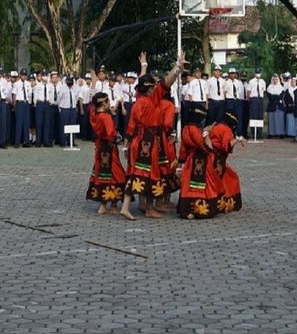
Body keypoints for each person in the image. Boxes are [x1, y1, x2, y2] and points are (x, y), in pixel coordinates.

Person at [120, 51, 185, 221]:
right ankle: (141, 208)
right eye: (153, 86)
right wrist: (177, 67)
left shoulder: (138, 100)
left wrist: (144, 66)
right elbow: (167, 82)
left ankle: (143, 207)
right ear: (149, 89)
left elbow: (130, 126)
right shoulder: (150, 100)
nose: (157, 87)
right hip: (147, 141)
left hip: (139, 140)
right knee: (146, 174)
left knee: (142, 174)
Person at [176, 106, 220, 219]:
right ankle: (200, 209)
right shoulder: (195, 129)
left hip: (190, 162)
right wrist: (207, 134)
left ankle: (187, 209)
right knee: (202, 186)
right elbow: (205, 146)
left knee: (188, 186)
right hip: (200, 160)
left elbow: (183, 149)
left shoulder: (186, 128)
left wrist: (180, 164)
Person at [86, 92, 126, 214]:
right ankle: (113, 205)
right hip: (109, 147)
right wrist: (117, 135)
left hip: (100, 147)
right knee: (116, 173)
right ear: (103, 103)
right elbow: (110, 133)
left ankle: (103, 205)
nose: (110, 104)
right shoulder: (106, 117)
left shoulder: (94, 115)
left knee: (102, 172)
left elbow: (92, 108)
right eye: (108, 102)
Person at [210, 110, 245, 213]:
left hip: (211, 157)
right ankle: (223, 203)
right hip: (217, 160)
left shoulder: (216, 126)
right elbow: (227, 146)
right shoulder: (226, 130)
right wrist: (238, 139)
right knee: (231, 179)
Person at [57, 75, 79, 147]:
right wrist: (60, 108)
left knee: (72, 125)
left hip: (72, 108)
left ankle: (71, 141)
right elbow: (59, 99)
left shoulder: (75, 88)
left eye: (71, 81)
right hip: (64, 108)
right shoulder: (62, 88)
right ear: (66, 81)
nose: (70, 82)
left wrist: (75, 106)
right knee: (63, 125)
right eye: (68, 81)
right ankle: (63, 142)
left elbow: (76, 97)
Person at [12, 69, 32, 148]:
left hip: (26, 103)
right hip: (19, 103)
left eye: (25, 75)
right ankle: (17, 142)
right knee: (19, 123)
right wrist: (14, 105)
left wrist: (28, 102)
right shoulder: (16, 84)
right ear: (20, 75)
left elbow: (29, 94)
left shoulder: (28, 83)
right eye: (23, 75)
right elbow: (14, 95)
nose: (24, 76)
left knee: (26, 123)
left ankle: (26, 141)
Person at [247, 68, 266, 137]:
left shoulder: (263, 81)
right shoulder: (251, 81)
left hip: (260, 99)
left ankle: (259, 133)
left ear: (261, 73)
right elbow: (248, 91)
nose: (258, 74)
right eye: (257, 73)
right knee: (253, 116)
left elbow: (263, 90)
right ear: (254, 73)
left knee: (260, 116)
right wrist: (250, 100)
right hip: (253, 99)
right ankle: (253, 133)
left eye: (259, 73)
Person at [283, 73, 296, 137]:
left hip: (296, 108)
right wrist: (289, 104)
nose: (293, 83)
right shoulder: (288, 90)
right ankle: (289, 133)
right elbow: (285, 98)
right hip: (289, 108)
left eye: (294, 81)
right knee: (289, 121)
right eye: (292, 82)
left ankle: (296, 133)